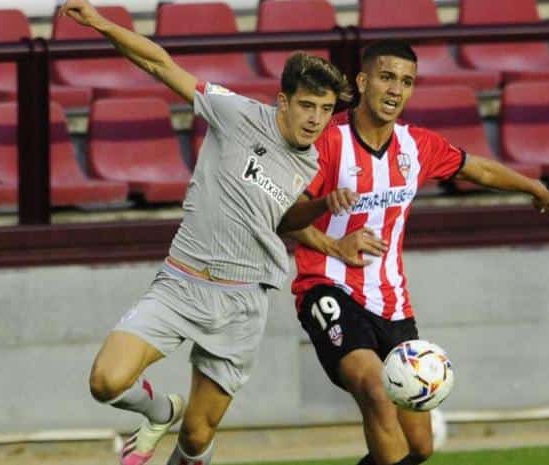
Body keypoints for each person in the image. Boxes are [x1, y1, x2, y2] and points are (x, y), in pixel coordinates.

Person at [58, 2, 350, 465]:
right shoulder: (235, 114)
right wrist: (101, 24)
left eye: (326, 110)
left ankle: (182, 435)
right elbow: (160, 63)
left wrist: (320, 207)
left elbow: (282, 218)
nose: (316, 119)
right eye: (308, 106)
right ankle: (158, 410)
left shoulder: (311, 160)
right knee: (106, 382)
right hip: (183, 283)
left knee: (197, 436)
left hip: (243, 301)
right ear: (284, 101)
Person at [281, 40, 549, 465]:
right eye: (387, 77)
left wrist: (531, 185)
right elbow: (285, 217)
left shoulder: (417, 146)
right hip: (326, 287)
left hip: (392, 303)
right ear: (363, 81)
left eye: (406, 82)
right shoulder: (329, 142)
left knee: (419, 447)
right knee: (374, 387)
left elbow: (473, 167)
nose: (396, 90)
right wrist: (334, 240)